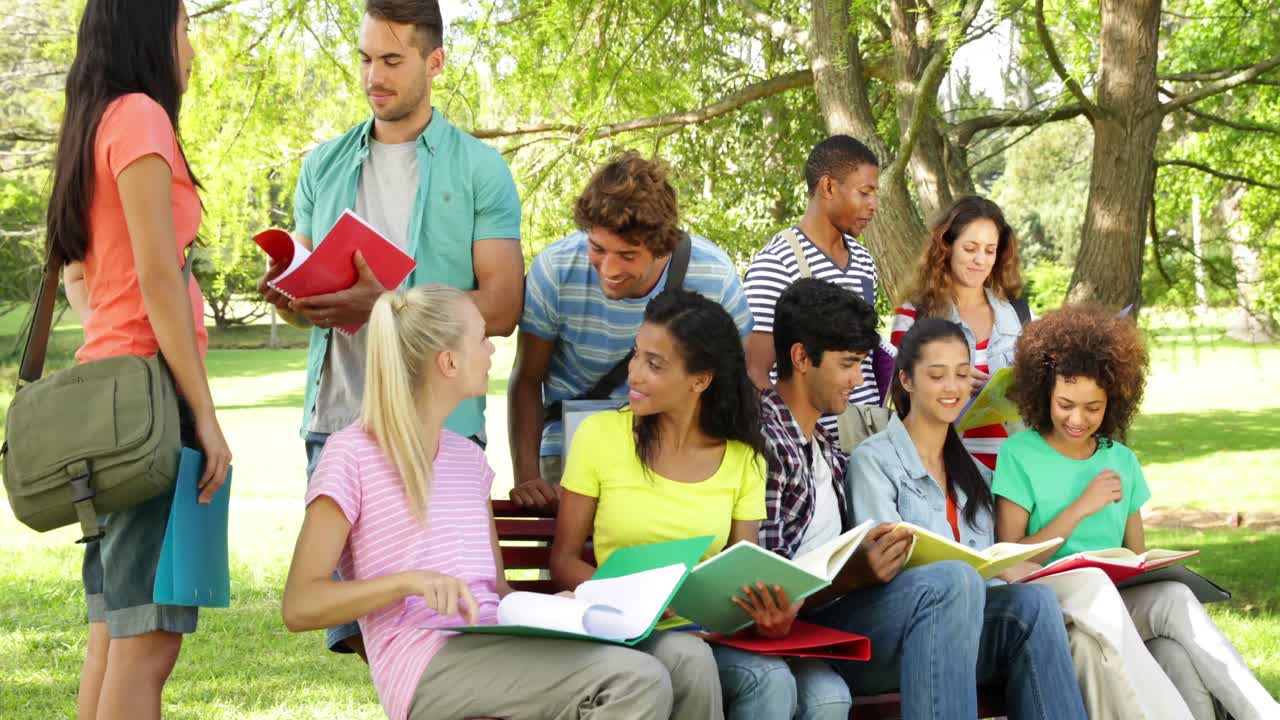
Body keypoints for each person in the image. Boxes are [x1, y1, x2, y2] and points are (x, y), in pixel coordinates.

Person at [257, 0, 524, 657]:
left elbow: (503, 303)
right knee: (360, 635)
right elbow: (313, 285)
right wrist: (292, 296)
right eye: (365, 59)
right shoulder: (321, 166)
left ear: (434, 62)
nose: (374, 76)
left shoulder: (479, 170)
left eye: (392, 61)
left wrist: (386, 304)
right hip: (339, 416)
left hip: (439, 432)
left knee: (444, 623)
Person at [282, 285, 675, 720]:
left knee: (683, 666)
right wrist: (407, 582)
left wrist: (555, 609)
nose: (492, 350)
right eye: (481, 338)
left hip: (498, 646)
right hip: (425, 665)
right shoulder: (350, 454)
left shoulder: (468, 459)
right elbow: (300, 605)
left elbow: (497, 591)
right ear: (448, 362)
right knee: (636, 680)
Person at [760, 280, 1082, 720]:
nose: (859, 380)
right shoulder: (794, 444)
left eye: (962, 373)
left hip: (931, 618)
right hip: (853, 629)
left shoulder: (826, 448)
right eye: (850, 364)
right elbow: (776, 572)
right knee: (954, 580)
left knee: (1035, 604)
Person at [45, 2, 233, 718]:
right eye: (185, 25)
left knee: (114, 628)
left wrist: (113, 337)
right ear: (151, 30)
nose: (192, 45)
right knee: (147, 639)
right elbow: (159, 277)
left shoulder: (90, 124)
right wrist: (206, 418)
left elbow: (75, 276)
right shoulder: (141, 117)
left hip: (106, 392)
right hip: (150, 399)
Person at [994, 306, 1280, 720]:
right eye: (1066, 404)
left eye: (1093, 407)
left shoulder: (1121, 461)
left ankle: (1264, 713)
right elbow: (1010, 559)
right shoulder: (1020, 455)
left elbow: (1135, 559)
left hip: (1116, 605)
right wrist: (1080, 507)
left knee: (1175, 618)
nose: (1078, 419)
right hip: (1057, 603)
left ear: (1113, 401)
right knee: (1098, 587)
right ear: (1043, 394)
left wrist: (1151, 567)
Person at [550, 289, 819, 720]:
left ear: (701, 379)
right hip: (623, 627)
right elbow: (563, 561)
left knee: (771, 678)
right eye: (636, 355)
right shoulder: (600, 436)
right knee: (687, 656)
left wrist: (766, 614)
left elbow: (740, 571)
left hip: (708, 635)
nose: (634, 374)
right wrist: (637, 603)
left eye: (654, 364)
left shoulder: (742, 459)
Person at [508, 152, 752, 512]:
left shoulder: (712, 276)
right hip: (569, 455)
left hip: (677, 455)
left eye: (628, 255)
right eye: (598, 248)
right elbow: (527, 380)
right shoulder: (556, 270)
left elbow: (735, 384)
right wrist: (528, 477)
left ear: (663, 246)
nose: (608, 268)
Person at [743, 135, 891, 442]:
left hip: (867, 445)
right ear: (828, 187)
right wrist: (797, 444)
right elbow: (754, 372)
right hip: (809, 456)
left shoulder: (863, 261)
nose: (873, 205)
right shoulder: (778, 263)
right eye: (865, 192)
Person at [888, 196, 1029, 469]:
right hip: (941, 468)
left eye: (990, 250)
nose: (980, 260)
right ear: (947, 246)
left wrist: (1010, 391)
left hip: (1013, 472)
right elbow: (900, 392)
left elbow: (1040, 396)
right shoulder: (914, 314)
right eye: (970, 248)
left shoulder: (1019, 314)